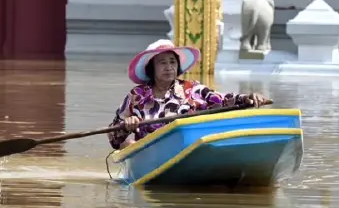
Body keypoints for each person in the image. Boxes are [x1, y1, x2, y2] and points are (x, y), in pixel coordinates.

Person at [109, 40, 271, 150]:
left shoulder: (191, 89)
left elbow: (225, 100)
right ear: (152, 68)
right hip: (149, 151)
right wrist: (127, 124)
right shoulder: (136, 95)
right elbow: (114, 137)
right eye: (162, 62)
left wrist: (248, 98)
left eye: (172, 62)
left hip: (187, 148)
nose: (169, 67)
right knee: (129, 143)